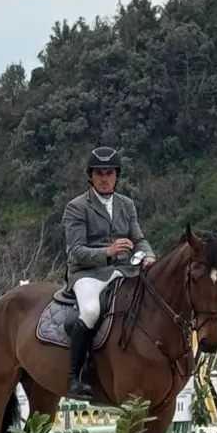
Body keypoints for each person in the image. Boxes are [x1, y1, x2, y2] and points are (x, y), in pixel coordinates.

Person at [63, 146, 155, 398]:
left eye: (110, 173)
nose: (105, 178)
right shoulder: (77, 207)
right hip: (87, 273)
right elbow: (76, 252)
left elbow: (139, 238)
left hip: (123, 271)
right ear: (90, 176)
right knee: (92, 311)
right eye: (99, 173)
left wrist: (148, 254)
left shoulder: (127, 204)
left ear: (117, 175)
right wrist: (109, 251)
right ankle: (75, 376)